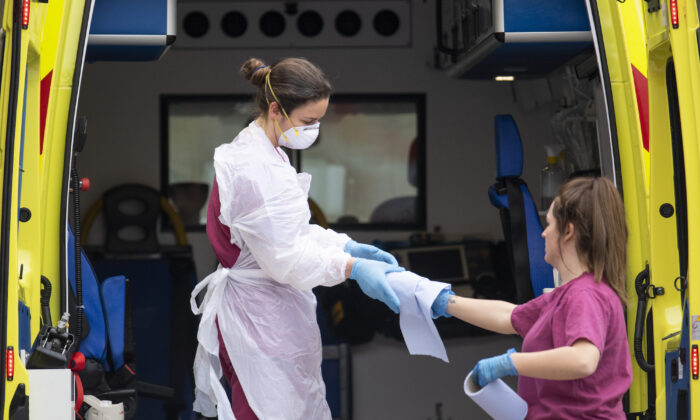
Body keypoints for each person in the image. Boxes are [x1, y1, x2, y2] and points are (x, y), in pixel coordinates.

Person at [190, 57, 405, 420]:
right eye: (308, 121)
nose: (314, 129)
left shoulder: (268, 154)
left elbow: (287, 232)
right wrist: (351, 267)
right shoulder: (252, 167)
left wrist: (344, 245)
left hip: (272, 316)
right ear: (276, 109)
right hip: (256, 322)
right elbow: (285, 258)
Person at [432, 176, 632, 419]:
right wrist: (441, 300)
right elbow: (508, 316)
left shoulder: (585, 295)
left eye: (548, 224)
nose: (543, 234)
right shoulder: (568, 295)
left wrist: (511, 363)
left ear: (568, 231)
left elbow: (583, 360)